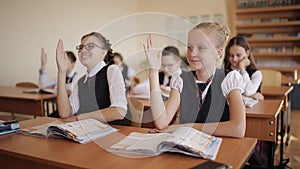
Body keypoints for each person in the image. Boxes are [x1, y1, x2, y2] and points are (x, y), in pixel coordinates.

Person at [144, 22, 246, 138]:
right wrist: (153, 71)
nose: (192, 53)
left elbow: (238, 129)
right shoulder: (181, 81)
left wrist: (187, 127)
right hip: (188, 147)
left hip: (221, 149)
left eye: (201, 48)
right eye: (189, 47)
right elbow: (161, 122)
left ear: (218, 53)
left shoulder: (229, 79)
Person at [55, 32, 127, 125]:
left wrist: (79, 118)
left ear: (103, 53)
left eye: (90, 46)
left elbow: (119, 112)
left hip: (114, 133)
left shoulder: (111, 70)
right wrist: (61, 72)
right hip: (88, 133)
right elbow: (65, 114)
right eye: (81, 47)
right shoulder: (81, 81)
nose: (83, 50)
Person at [224, 36, 264, 100]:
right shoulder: (224, 71)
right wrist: (250, 96)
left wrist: (242, 69)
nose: (234, 59)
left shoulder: (256, 73)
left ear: (247, 53)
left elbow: (249, 92)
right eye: (231, 55)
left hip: (252, 109)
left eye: (238, 55)